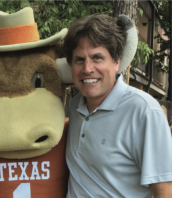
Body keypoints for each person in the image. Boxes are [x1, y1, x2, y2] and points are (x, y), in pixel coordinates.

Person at [63, 14, 172, 197]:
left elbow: (164, 190)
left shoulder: (144, 111)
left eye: (97, 58)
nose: (87, 68)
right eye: (79, 59)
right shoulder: (75, 106)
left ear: (116, 62)